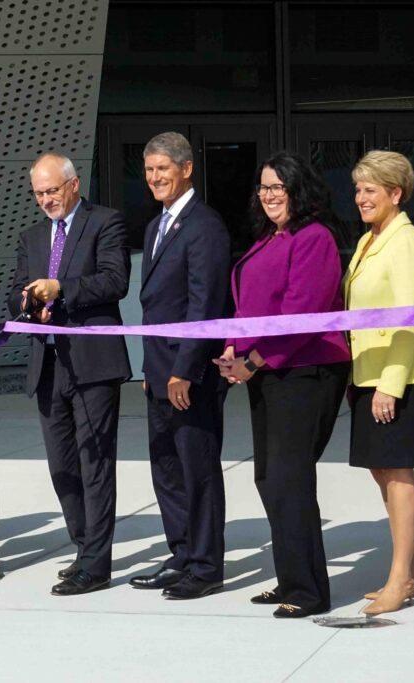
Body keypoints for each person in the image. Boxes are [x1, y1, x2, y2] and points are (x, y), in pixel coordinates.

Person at [215, 151, 350, 618]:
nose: (269, 195)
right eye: (264, 187)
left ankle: (309, 591)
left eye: (278, 187)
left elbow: (302, 313)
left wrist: (254, 358)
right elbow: (248, 308)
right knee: (270, 476)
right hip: (270, 371)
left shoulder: (314, 238)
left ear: (299, 190)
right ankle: (291, 578)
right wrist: (234, 348)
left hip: (306, 370)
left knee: (290, 478)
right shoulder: (270, 238)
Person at [7, 152, 131, 596]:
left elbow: (115, 281)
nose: (45, 200)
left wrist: (63, 290)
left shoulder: (105, 222)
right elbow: (13, 292)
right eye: (39, 193)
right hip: (49, 364)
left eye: (52, 191)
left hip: (94, 364)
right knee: (63, 466)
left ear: (74, 185)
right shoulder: (32, 236)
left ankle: (97, 564)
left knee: (95, 462)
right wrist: (27, 302)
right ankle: (84, 548)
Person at [133, 132, 230, 600]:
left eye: (163, 169)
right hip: (158, 372)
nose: (154, 178)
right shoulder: (156, 227)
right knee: (166, 466)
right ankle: (183, 553)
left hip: (188, 374)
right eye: (149, 170)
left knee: (198, 467)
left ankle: (208, 565)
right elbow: (153, 305)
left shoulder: (204, 226)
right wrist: (152, 373)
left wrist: (184, 370)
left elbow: (204, 304)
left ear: (186, 169)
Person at [345, 150, 414, 616]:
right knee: (382, 471)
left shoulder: (406, 243)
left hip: (399, 377)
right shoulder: (370, 239)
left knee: (398, 473)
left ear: (395, 194)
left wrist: (391, 385)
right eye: (359, 189)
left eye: (371, 190)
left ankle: (400, 578)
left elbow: (409, 321)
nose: (361, 197)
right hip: (367, 374)